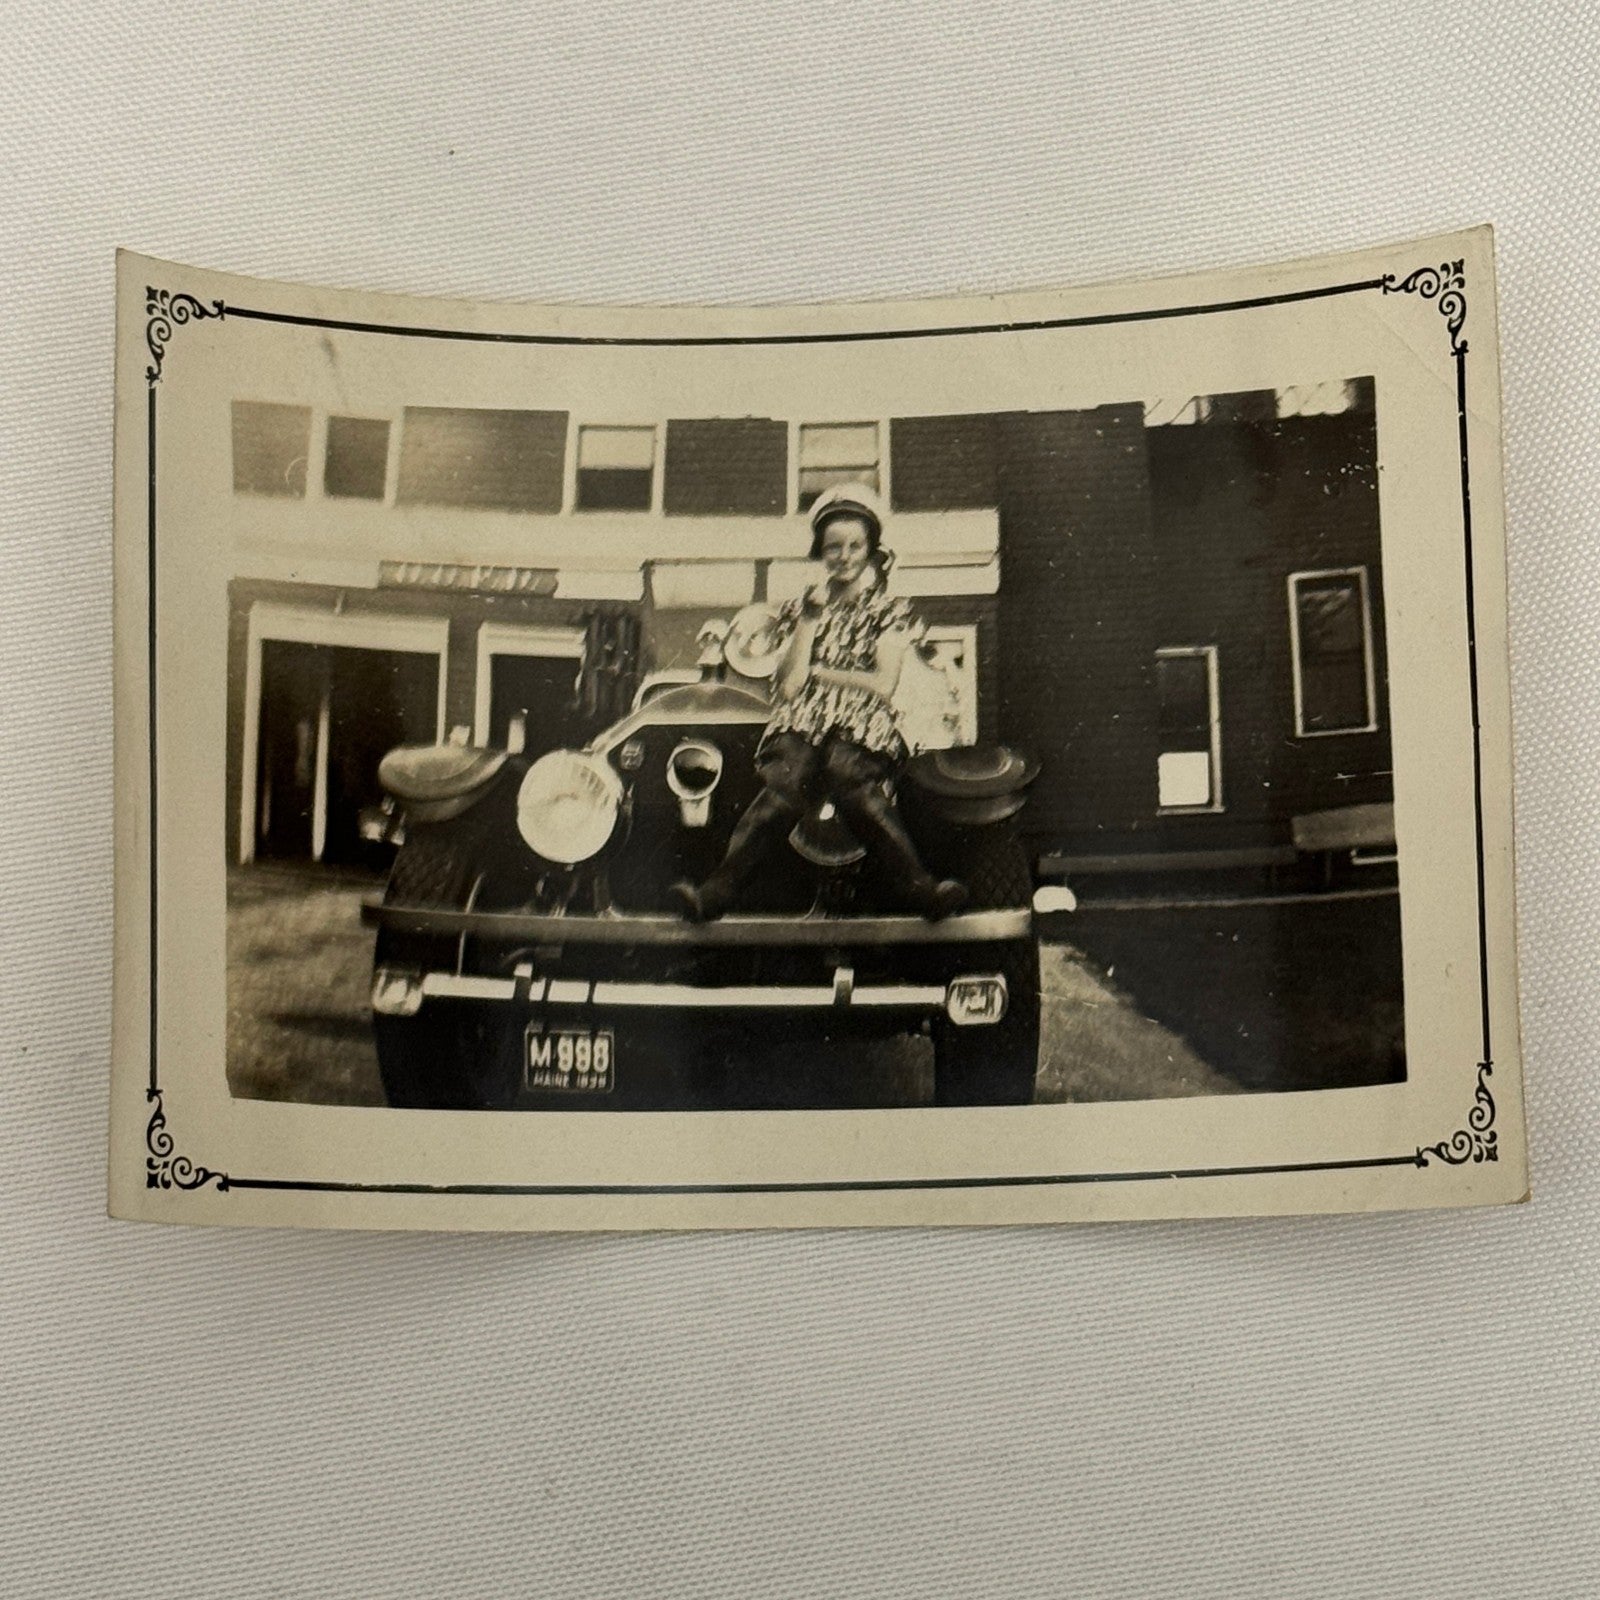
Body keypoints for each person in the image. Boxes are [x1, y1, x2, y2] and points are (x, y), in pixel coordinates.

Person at [670, 484, 968, 922]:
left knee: (851, 779)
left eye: (854, 546)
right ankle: (716, 893)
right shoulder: (799, 608)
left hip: (862, 721)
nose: (843, 557)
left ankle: (922, 889)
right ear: (820, 552)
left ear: (870, 550)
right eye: (833, 548)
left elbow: (882, 683)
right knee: (782, 789)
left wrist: (820, 672)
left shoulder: (888, 611)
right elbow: (788, 688)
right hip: (805, 721)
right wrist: (809, 622)